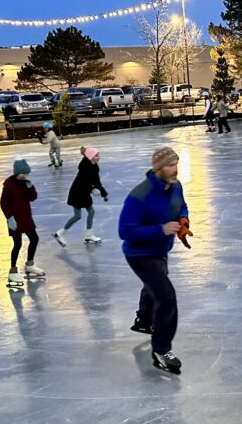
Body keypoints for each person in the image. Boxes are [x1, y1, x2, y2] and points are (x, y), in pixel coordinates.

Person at [118, 147, 191, 374]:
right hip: (139, 255)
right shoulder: (140, 195)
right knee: (166, 296)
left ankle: (143, 319)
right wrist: (161, 229)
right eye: (169, 165)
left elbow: (181, 206)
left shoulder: (175, 186)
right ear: (158, 168)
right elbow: (125, 231)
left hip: (160, 250)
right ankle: (160, 349)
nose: (174, 169)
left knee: (154, 287)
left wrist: (183, 221)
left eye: (175, 164)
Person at [0, 158, 45, 287]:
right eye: (23, 174)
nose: (25, 176)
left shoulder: (26, 183)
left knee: (34, 239)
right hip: (14, 219)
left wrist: (31, 188)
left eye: (26, 174)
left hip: (26, 217)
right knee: (17, 244)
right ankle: (12, 271)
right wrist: (9, 217)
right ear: (17, 173)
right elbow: (3, 203)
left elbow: (33, 198)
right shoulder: (9, 184)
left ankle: (30, 265)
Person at [53, 147, 108, 246]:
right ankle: (60, 233)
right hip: (77, 193)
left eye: (98, 155)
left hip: (83, 192)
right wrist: (92, 189)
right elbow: (83, 184)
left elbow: (96, 182)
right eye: (96, 155)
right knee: (78, 215)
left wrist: (104, 193)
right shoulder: (85, 168)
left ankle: (88, 235)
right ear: (90, 157)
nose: (98, 157)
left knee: (90, 212)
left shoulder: (94, 167)